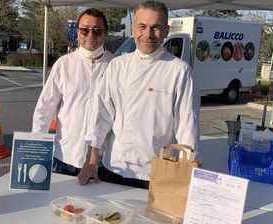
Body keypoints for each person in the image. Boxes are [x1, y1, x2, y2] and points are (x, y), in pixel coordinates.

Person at [78, 0, 200, 188]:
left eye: (156, 27)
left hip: (157, 173)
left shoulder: (179, 71)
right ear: (133, 29)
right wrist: (91, 160)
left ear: (167, 31)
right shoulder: (118, 65)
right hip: (114, 168)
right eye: (142, 26)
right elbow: (101, 116)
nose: (148, 34)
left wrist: (188, 175)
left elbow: (187, 127)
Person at [32, 8, 114, 176]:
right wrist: (36, 148)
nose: (90, 34)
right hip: (65, 158)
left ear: (105, 34)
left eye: (97, 30)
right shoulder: (64, 65)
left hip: (102, 163)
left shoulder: (116, 66)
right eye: (85, 30)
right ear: (77, 32)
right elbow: (45, 108)